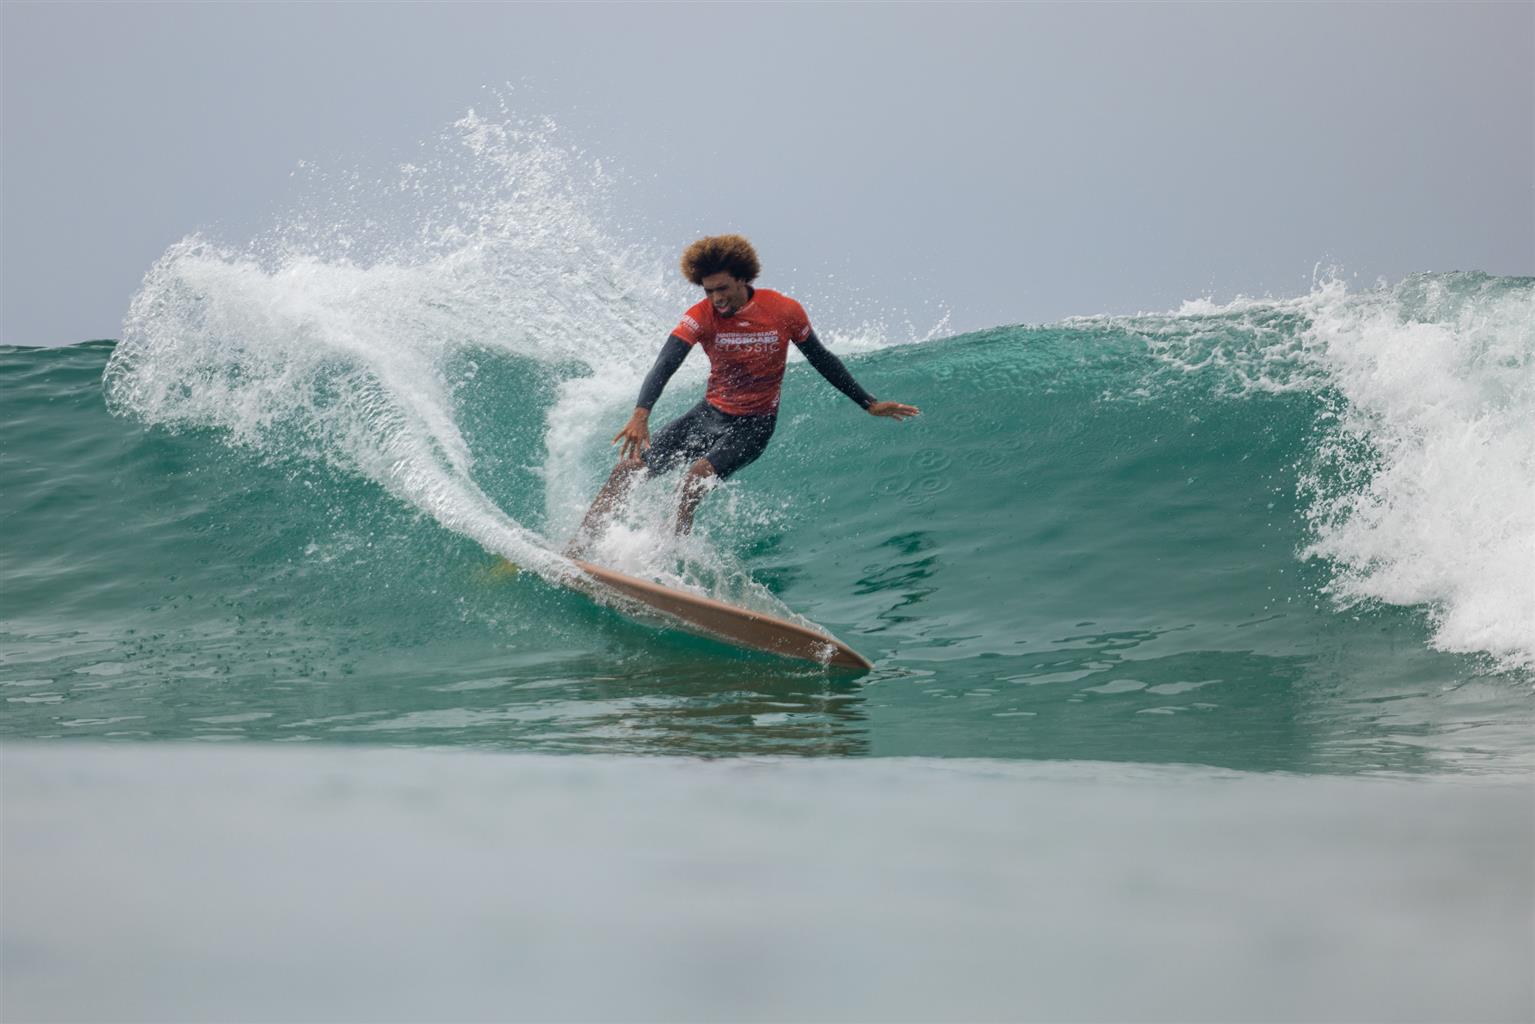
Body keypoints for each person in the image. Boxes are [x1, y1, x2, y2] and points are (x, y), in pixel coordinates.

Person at [566, 234, 919, 557]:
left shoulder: (783, 311)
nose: (716, 298)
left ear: (742, 279)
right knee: (627, 470)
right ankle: (578, 549)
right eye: (708, 291)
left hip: (754, 423)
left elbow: (821, 358)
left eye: (722, 288)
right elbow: (666, 361)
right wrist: (641, 413)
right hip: (708, 414)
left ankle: (669, 558)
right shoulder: (700, 316)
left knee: (695, 479)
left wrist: (868, 403)